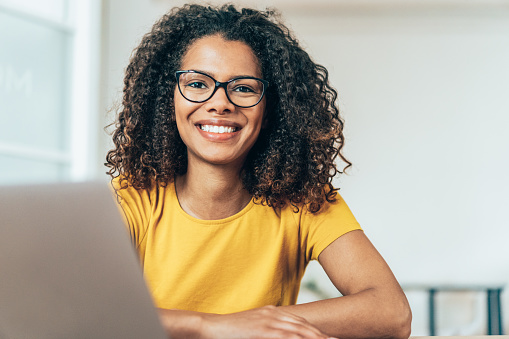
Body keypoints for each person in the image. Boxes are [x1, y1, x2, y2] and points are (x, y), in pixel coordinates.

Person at [106, 4, 411, 339]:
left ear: (271, 109)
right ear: (169, 100)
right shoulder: (129, 199)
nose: (220, 103)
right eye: (196, 84)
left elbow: (392, 314)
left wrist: (265, 323)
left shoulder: (304, 201)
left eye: (243, 88)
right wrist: (215, 326)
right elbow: (89, 313)